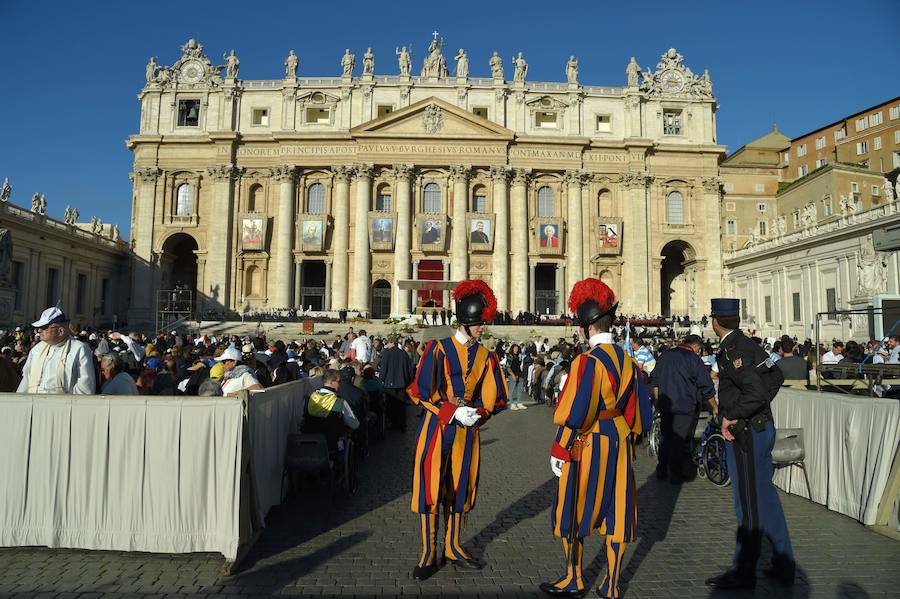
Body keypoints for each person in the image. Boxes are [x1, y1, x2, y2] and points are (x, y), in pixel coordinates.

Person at [542, 278, 651, 598]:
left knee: (570, 508)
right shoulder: (629, 362)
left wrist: (559, 448)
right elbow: (640, 412)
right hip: (620, 441)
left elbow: (576, 413)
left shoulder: (586, 362)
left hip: (588, 443)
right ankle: (613, 585)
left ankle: (574, 577)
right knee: (618, 512)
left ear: (587, 328)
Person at [407, 279, 508, 581]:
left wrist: (477, 414)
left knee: (459, 489)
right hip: (437, 429)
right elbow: (420, 392)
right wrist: (451, 411)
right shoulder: (437, 349)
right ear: (465, 322)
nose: (482, 329)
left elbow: (497, 396)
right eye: (479, 323)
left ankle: (452, 546)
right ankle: (429, 551)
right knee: (431, 489)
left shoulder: (487, 356)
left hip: (467, 433)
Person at [705, 298, 794, 591]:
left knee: (748, 503)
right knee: (765, 497)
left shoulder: (733, 349)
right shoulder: (751, 344)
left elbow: (755, 390)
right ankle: (783, 564)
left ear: (715, 321)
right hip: (760, 428)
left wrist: (733, 415)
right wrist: (756, 409)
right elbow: (775, 376)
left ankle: (744, 570)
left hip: (746, 434)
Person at [650, 334, 716, 483]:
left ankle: (662, 469)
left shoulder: (666, 355)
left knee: (666, 437)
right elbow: (706, 385)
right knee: (678, 439)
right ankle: (675, 472)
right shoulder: (693, 359)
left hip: (666, 404)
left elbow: (655, 380)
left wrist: (657, 400)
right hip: (684, 405)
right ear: (696, 347)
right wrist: (714, 406)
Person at [17, 305, 96, 394]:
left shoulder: (79, 349)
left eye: (44, 327)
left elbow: (84, 388)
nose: (39, 331)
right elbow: (26, 380)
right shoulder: (36, 350)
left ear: (60, 331)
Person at [302, 368, 359, 450]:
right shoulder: (340, 402)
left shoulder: (309, 398)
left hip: (311, 442)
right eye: (339, 382)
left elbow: (299, 420)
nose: (340, 384)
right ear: (332, 382)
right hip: (332, 444)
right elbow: (354, 424)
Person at [378, 334, 415, 431]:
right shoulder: (404, 354)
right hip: (402, 383)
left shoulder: (387, 353)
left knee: (391, 405)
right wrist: (408, 381)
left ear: (391, 342)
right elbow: (409, 369)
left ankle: (393, 424)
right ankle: (402, 425)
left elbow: (383, 369)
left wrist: (381, 379)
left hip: (390, 384)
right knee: (401, 405)